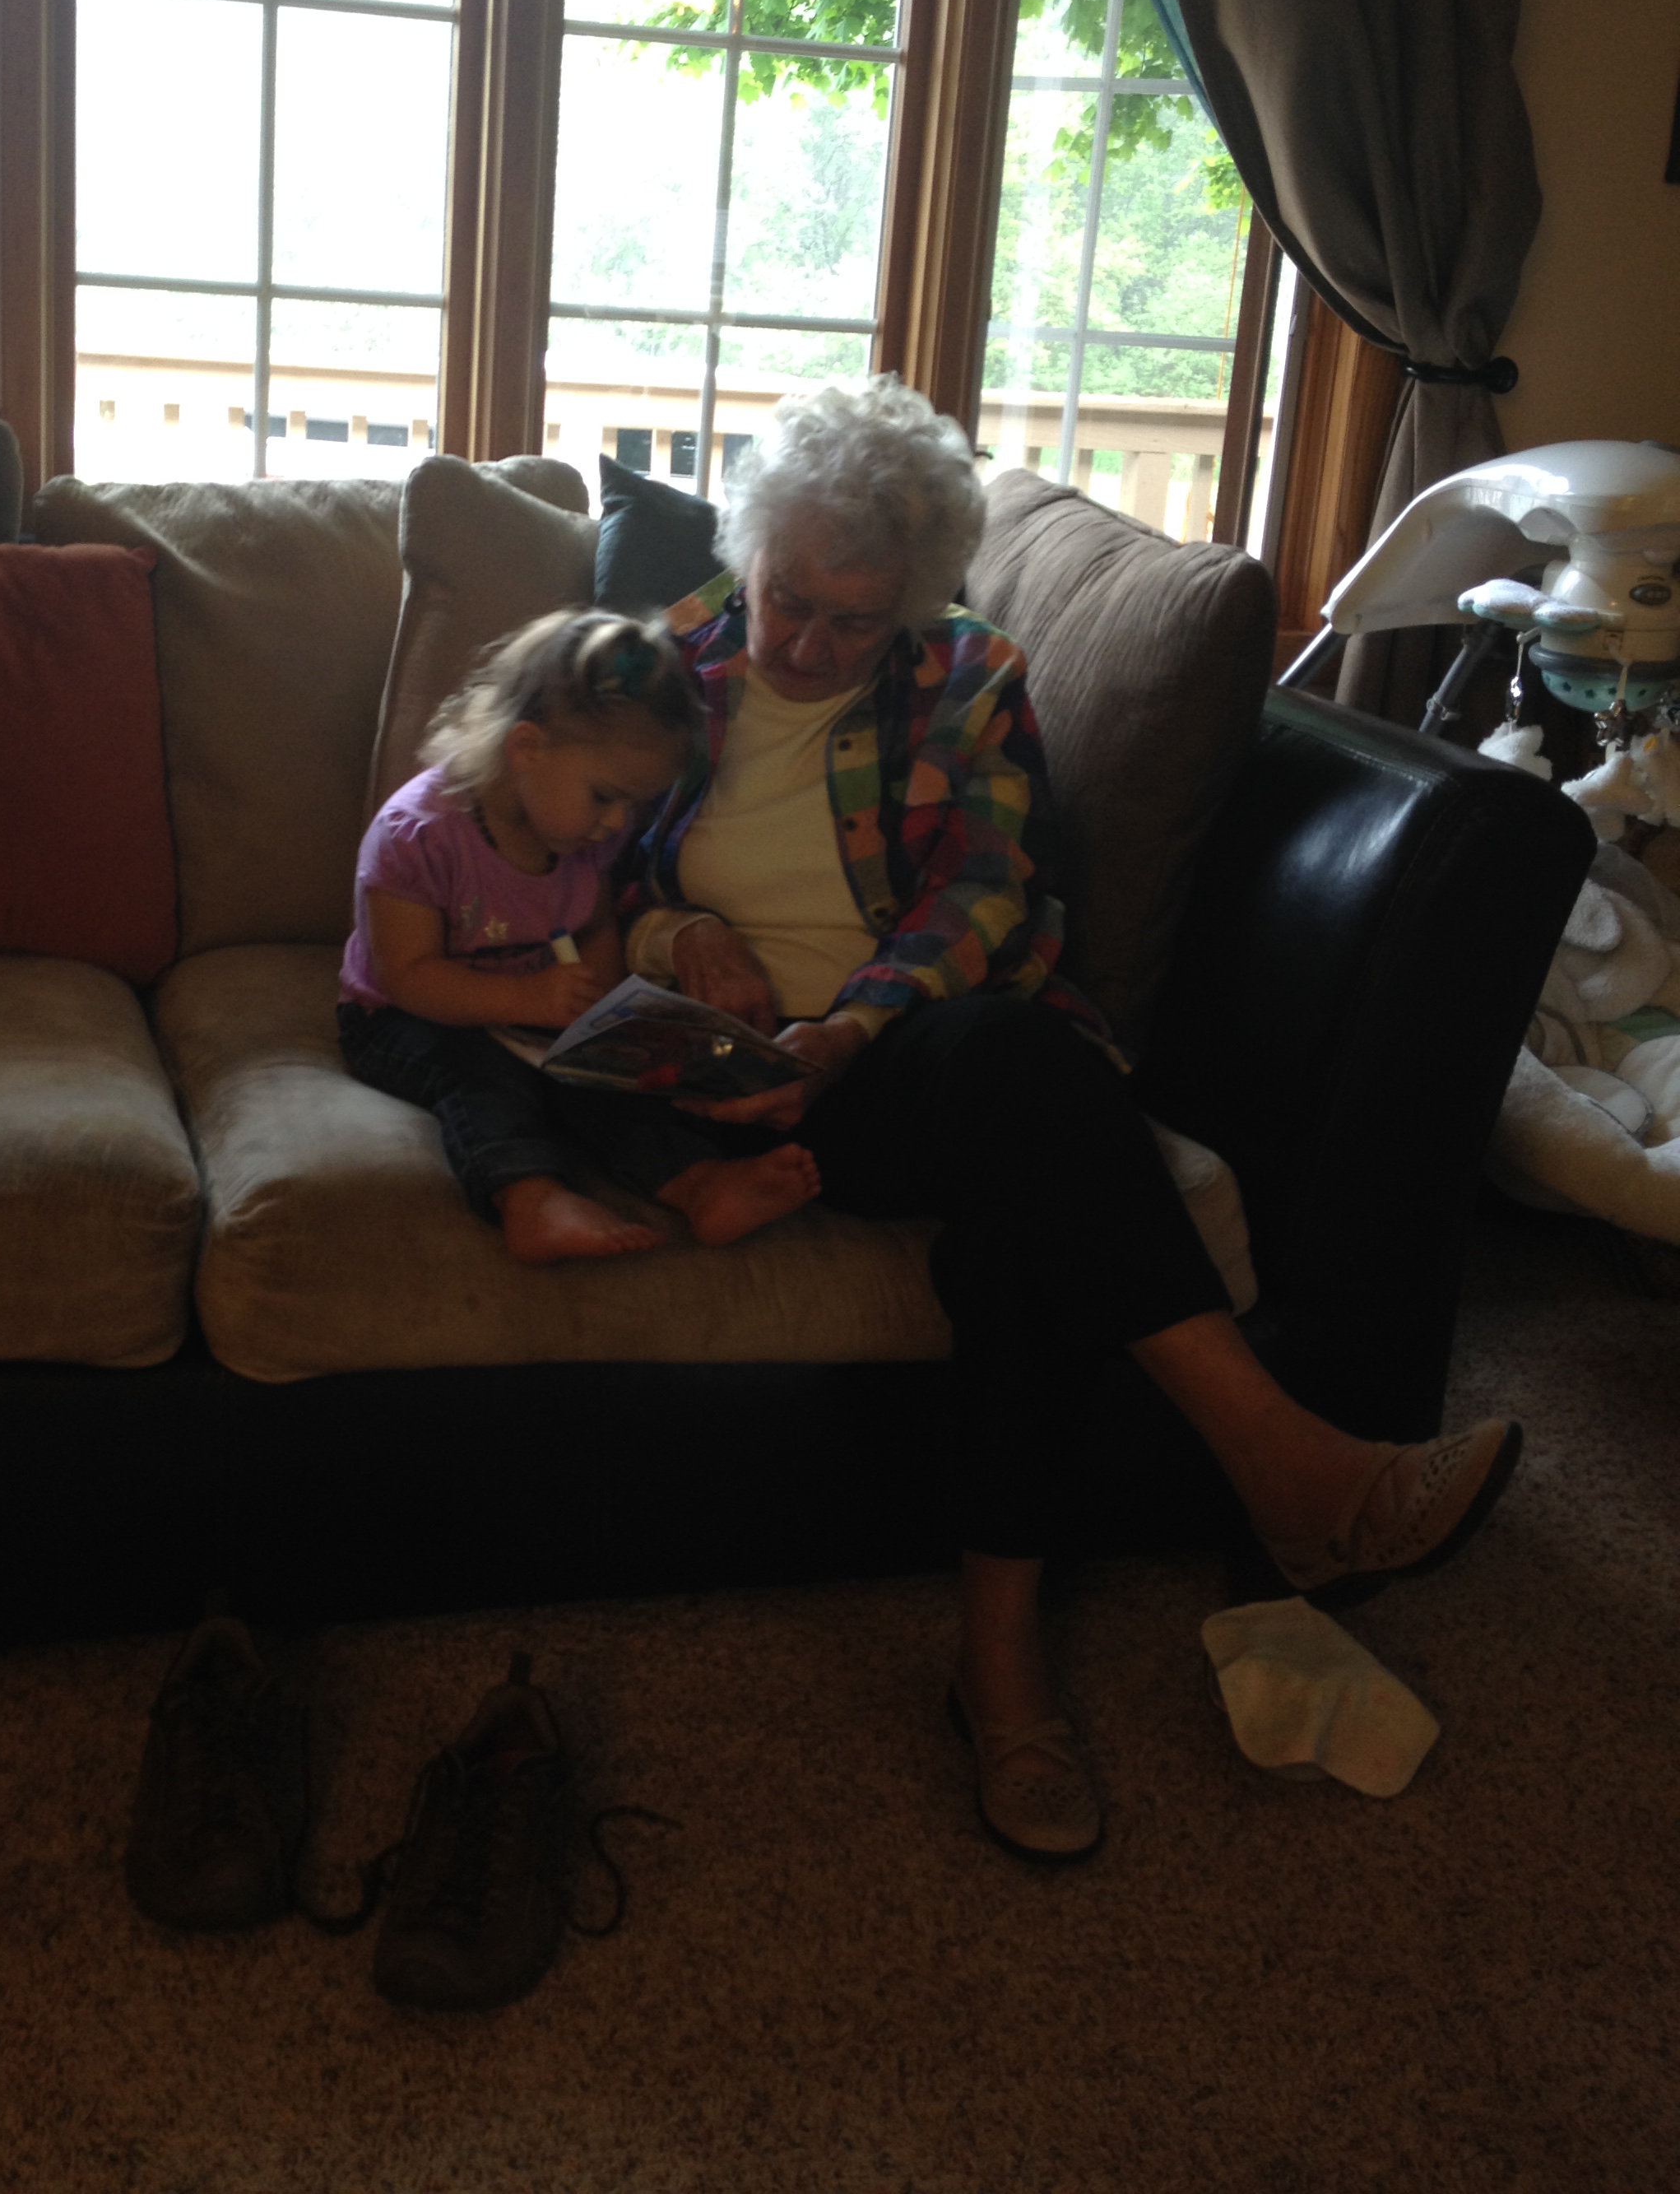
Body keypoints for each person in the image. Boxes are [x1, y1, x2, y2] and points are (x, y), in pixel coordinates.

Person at [569, 375, 1523, 1866]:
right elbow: (579, 867)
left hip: (906, 1055)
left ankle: (1005, 1661)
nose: (807, 644)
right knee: (1039, 1133)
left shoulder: (967, 677)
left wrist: (849, 1028)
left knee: (1021, 1119)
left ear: (911, 603)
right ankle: (1271, 1477)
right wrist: (675, 931)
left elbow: (983, 892)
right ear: (744, 551)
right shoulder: (655, 667)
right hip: (729, 1080)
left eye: (852, 622)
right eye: (787, 600)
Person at [337, 607, 822, 1264]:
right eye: (605, 796)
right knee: (481, 1070)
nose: (619, 823)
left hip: (529, 1011)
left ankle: (698, 1184)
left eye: (633, 805)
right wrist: (530, 1001)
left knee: (602, 1079)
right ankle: (528, 1196)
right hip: (403, 1018)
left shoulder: (581, 834)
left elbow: (594, 923)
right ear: (527, 748)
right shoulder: (416, 836)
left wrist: (602, 1013)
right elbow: (409, 976)